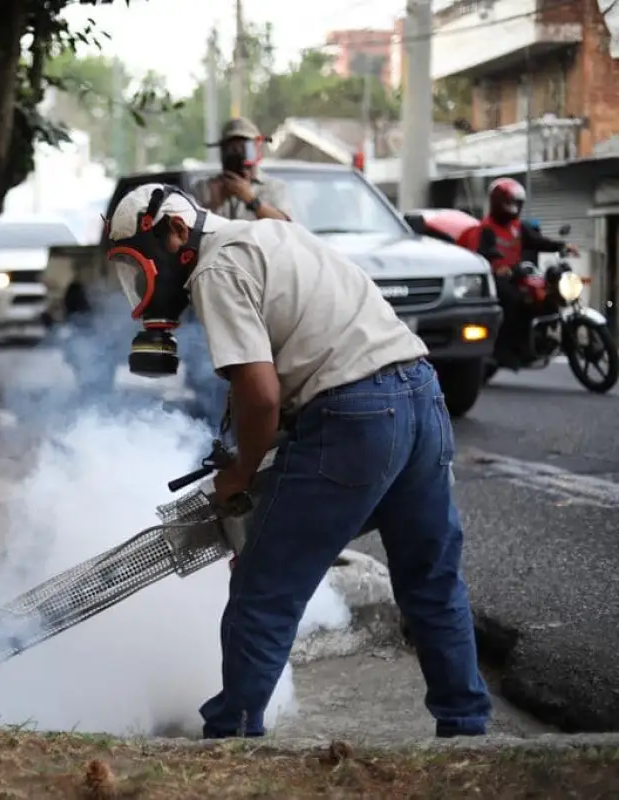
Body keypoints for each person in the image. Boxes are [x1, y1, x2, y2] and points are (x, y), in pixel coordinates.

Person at [103, 182, 492, 740]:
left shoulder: (214, 270)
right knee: (430, 580)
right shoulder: (272, 233)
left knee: (266, 586)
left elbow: (260, 397)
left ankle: (230, 736)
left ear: (176, 232)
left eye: (140, 266)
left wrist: (236, 478)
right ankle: (466, 729)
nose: (144, 284)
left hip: (357, 414)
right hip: (421, 396)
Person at [456, 178, 579, 365]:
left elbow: (538, 241)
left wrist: (562, 246)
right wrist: (498, 266)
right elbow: (482, 253)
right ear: (498, 203)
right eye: (509, 203)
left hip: (517, 274)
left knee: (542, 295)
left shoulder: (518, 227)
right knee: (514, 300)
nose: (513, 208)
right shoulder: (486, 229)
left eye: (516, 203)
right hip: (494, 278)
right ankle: (503, 349)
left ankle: (537, 338)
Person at [194, 118, 292, 222]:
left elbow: (286, 226)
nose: (238, 154)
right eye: (231, 149)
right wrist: (214, 203)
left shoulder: (274, 187)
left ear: (257, 150)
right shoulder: (204, 188)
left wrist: (251, 200)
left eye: (244, 148)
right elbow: (189, 230)